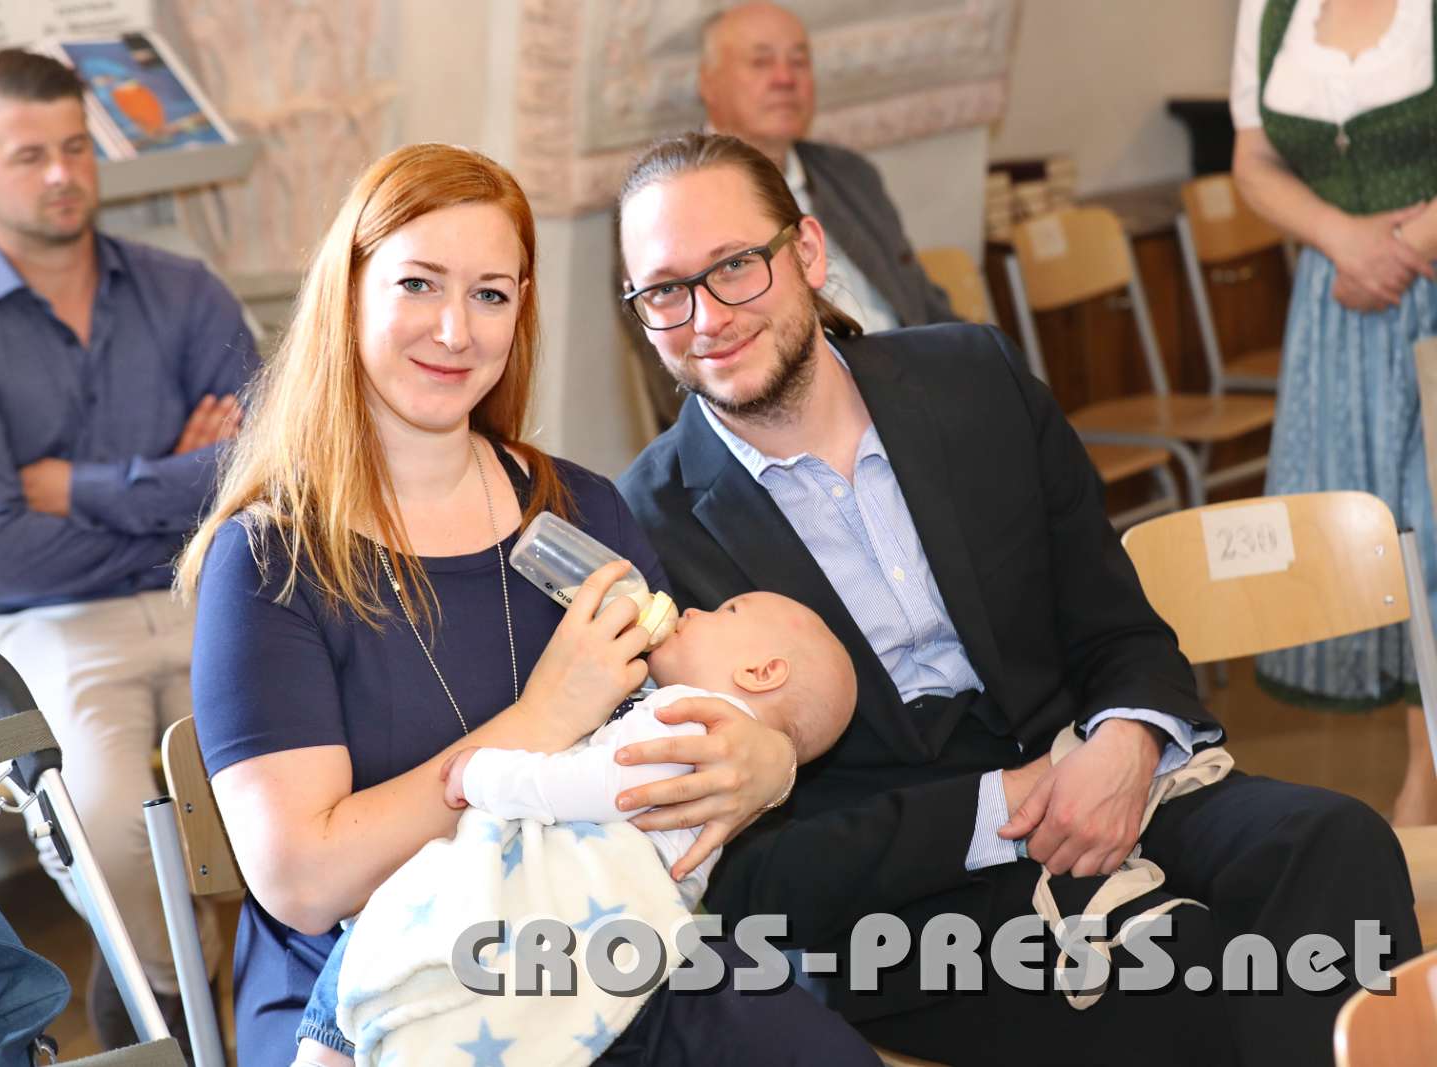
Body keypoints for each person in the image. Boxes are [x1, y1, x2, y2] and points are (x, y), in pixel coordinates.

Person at [612, 131, 1421, 1067]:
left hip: (1095, 768)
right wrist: (996, 804)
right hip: (898, 898)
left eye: (735, 266)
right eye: (665, 290)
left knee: (1337, 847)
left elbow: (1119, 625)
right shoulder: (648, 527)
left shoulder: (974, 380)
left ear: (809, 252)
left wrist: (1127, 742)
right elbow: (744, 873)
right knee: (1193, 973)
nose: (707, 316)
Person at [178, 141, 881, 1065]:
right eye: (418, 284)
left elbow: (680, 732)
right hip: (384, 994)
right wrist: (543, 719)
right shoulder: (271, 560)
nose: (455, 331)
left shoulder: (581, 510)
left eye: (490, 294)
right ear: (348, 295)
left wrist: (767, 760)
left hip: (599, 947)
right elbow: (303, 882)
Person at [0, 49, 254, 1049]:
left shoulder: (186, 293)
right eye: (28, 156)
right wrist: (177, 480)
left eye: (74, 146)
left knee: (284, 757)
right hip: (42, 626)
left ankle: (244, 991)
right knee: (103, 820)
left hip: (203, 586)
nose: (61, 173)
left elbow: (264, 469)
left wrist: (80, 487)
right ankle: (172, 1000)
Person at [294, 590, 860, 1067]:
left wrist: (488, 774)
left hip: (577, 896)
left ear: (761, 672)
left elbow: (599, 786)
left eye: (726, 612)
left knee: (423, 895)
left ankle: (337, 1043)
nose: (693, 610)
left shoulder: (693, 718)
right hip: (610, 933)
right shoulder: (707, 736)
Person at [1230, 0, 1437, 825]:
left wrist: (1406, 248)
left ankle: (1424, 782)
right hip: (1341, 301)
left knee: (1436, 531)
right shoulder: (1269, 8)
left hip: (1423, 274)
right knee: (1386, 542)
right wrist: (1343, 238)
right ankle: (1425, 770)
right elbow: (1253, 159)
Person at [622, 1, 956, 430]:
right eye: (761, 62)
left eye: (799, 62)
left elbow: (923, 303)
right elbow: (682, 386)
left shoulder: (850, 175)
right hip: (800, 423)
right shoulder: (658, 211)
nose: (785, 78)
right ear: (709, 84)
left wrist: (971, 366)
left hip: (922, 391)